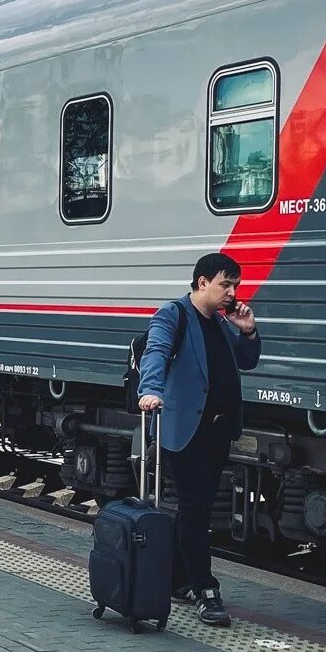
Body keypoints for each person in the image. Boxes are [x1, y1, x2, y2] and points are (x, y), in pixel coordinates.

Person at [136, 251, 261, 628]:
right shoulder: (173, 315)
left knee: (198, 509)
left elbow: (247, 361)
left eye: (235, 285)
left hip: (217, 432)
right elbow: (155, 352)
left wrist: (248, 330)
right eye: (225, 284)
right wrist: (150, 389)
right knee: (195, 509)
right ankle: (205, 589)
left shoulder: (222, 325)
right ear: (202, 282)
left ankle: (176, 580)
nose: (232, 292)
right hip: (185, 432)